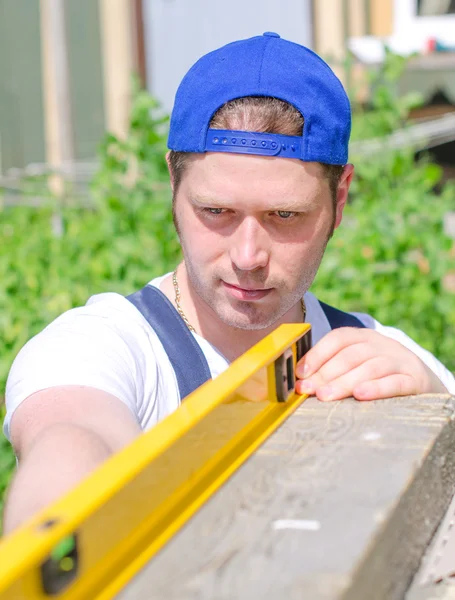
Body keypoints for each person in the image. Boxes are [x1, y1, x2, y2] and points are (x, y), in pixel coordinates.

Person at [2, 32, 454, 533]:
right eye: (215, 211)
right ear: (174, 183)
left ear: (340, 199)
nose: (247, 257)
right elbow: (73, 433)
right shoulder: (103, 347)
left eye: (285, 215)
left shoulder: (387, 360)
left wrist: (436, 404)